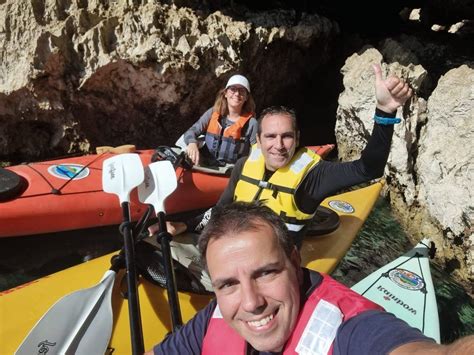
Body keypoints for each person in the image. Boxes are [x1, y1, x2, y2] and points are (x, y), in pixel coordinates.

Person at [145, 202, 474, 354]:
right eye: (228, 283)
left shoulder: (349, 329)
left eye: (266, 272)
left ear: (294, 261)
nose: (251, 302)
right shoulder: (217, 315)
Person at [152, 63, 413, 248]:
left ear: (298, 140)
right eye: (270, 137)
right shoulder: (244, 166)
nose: (279, 145)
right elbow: (220, 211)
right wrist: (184, 225)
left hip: (272, 271)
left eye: (286, 136)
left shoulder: (314, 176)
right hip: (236, 252)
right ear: (258, 140)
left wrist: (385, 112)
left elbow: (368, 169)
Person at [176, 74, 257, 167]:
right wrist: (192, 143)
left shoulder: (252, 123)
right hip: (206, 164)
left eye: (242, 90)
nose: (237, 94)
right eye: (233, 89)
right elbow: (192, 131)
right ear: (226, 93)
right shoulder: (212, 113)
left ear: (246, 97)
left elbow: (257, 152)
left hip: (231, 170)